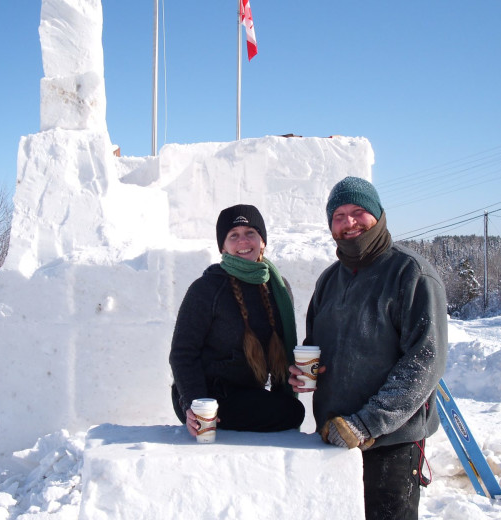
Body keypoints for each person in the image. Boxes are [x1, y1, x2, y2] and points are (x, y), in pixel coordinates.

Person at [289, 176, 448, 520]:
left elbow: (424, 363)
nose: (349, 223)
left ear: (378, 214)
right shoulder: (329, 280)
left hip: (391, 444)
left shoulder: (411, 274)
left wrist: (366, 424)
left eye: (358, 212)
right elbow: (315, 345)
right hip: (333, 438)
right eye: (339, 216)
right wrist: (305, 373)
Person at [170, 204, 305, 438]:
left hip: (247, 392)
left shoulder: (278, 288)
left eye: (250, 233)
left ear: (262, 241)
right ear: (223, 246)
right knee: (290, 413)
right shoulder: (206, 289)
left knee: (290, 410)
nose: (243, 241)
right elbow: (182, 352)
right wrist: (192, 404)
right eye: (234, 236)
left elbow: (283, 347)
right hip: (205, 397)